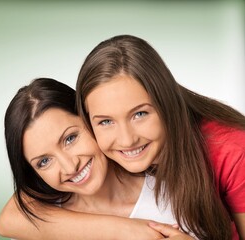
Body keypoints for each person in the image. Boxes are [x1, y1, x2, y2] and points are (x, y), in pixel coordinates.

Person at [75, 34, 245, 240]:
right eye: (106, 122)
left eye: (140, 114)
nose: (127, 140)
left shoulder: (233, 148)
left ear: (166, 103)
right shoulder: (89, 162)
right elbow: (26, 216)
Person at [0, 77, 193, 239]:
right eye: (44, 161)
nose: (69, 167)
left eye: (70, 138)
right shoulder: (39, 223)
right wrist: (124, 230)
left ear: (92, 120)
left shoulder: (175, 197)